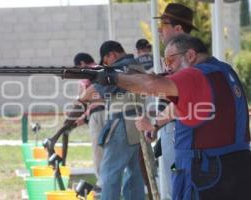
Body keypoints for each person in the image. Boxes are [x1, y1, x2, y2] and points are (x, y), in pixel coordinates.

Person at [93, 34, 251, 200]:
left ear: (190, 56)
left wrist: (109, 77)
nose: (168, 68)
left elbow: (150, 86)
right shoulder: (222, 69)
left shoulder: (194, 74)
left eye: (170, 60)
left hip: (208, 171)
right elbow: (182, 107)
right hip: (236, 165)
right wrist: (155, 124)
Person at [79, 40, 145, 200]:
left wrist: (85, 95)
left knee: (109, 173)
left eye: (106, 61)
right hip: (135, 124)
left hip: (122, 123)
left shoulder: (121, 67)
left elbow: (101, 89)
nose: (106, 66)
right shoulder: (134, 65)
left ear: (112, 55)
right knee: (135, 175)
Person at [152, 3, 199, 199]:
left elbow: (184, 101)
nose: (160, 30)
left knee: (176, 191)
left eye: (164, 24)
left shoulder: (185, 56)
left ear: (178, 29)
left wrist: (154, 123)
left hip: (175, 129)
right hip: (171, 128)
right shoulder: (185, 54)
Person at [73, 53, 105, 190]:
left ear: (81, 64)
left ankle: (102, 183)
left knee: (98, 150)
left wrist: (82, 118)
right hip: (113, 112)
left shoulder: (85, 75)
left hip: (97, 114)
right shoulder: (104, 69)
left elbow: (84, 100)